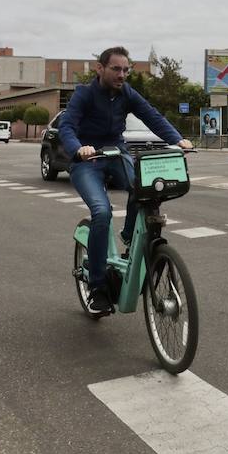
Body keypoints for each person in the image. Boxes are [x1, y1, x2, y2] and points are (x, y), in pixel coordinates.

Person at [59, 46, 192, 315]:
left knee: (143, 189)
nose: (122, 75)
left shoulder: (126, 93)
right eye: (116, 69)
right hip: (88, 159)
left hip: (116, 152)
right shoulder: (84, 94)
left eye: (126, 70)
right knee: (101, 212)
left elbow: (151, 115)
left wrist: (176, 138)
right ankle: (97, 288)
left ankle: (130, 238)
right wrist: (78, 148)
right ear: (100, 69)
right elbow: (67, 126)